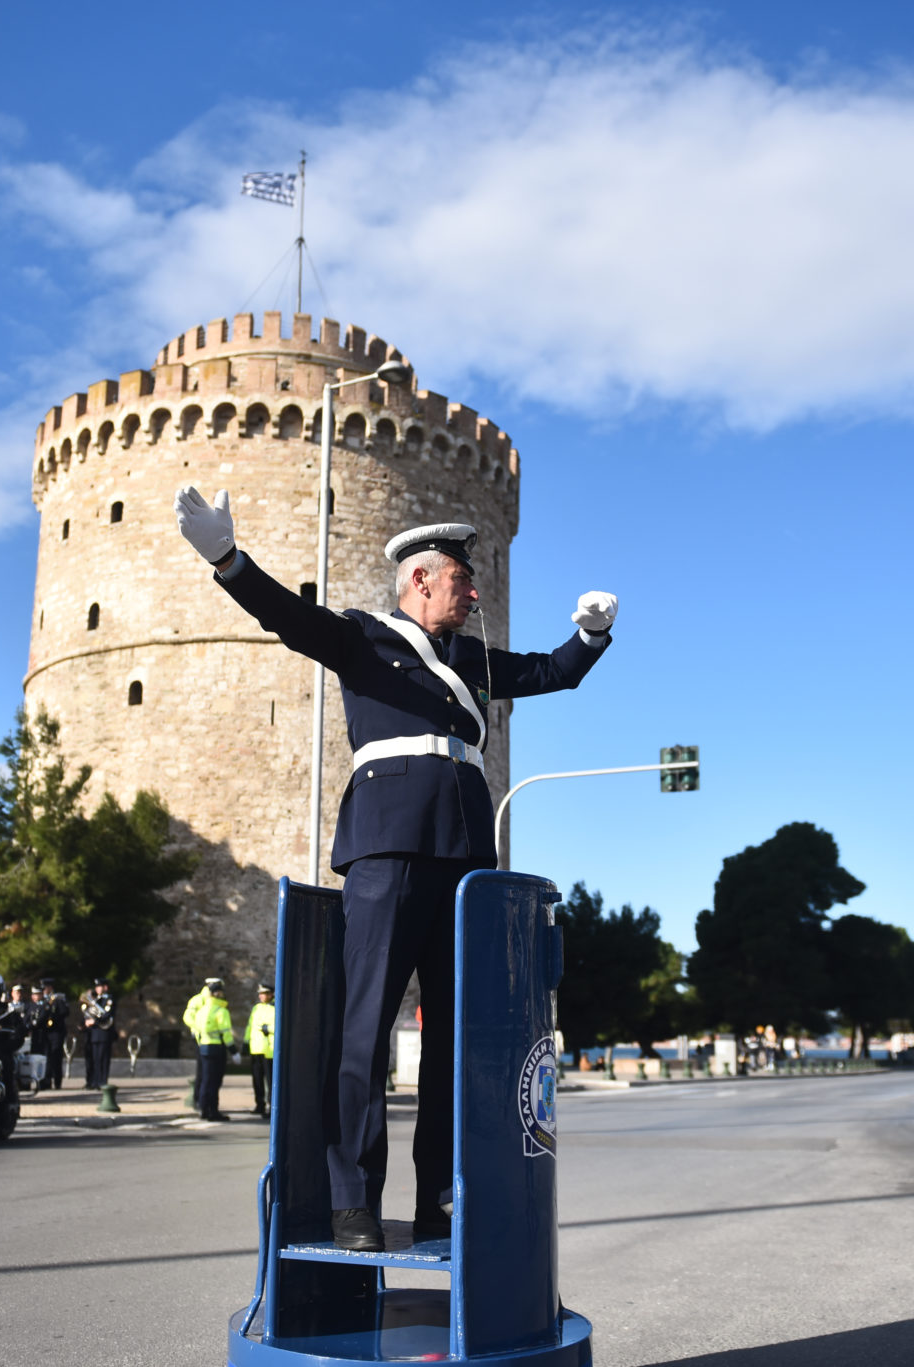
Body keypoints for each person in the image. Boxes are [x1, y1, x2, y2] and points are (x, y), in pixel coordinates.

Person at [175, 489, 616, 1250]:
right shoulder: (362, 637)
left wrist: (591, 635)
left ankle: (440, 1200)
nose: (475, 593)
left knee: (453, 1036)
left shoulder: (473, 659)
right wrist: (228, 560)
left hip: (467, 855)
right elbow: (288, 616)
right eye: (462, 580)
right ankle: (353, 1200)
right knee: (365, 1030)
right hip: (386, 846)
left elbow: (553, 672)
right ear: (421, 580)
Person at [183, 977, 236, 1121]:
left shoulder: (204, 1005)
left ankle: (204, 1107)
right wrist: (234, 1051)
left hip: (204, 1043)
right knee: (210, 1079)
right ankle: (209, 1108)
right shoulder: (210, 1005)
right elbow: (189, 1017)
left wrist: (200, 1031)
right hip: (214, 1045)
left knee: (205, 1077)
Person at [246, 983, 277, 1120]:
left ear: (271, 994)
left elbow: (280, 1026)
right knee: (257, 1080)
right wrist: (246, 1042)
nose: (261, 996)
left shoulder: (276, 1007)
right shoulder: (256, 1008)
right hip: (256, 1048)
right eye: (260, 993)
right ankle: (259, 1104)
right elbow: (250, 1026)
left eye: (263, 993)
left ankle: (272, 1106)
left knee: (270, 1082)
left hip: (269, 1050)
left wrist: (269, 1029)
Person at [81, 980, 117, 1090]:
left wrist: (94, 1021)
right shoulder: (96, 999)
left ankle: (102, 1081)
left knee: (103, 1058)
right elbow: (89, 1012)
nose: (97, 988)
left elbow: (107, 1015)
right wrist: (86, 1021)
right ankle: (95, 1081)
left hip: (104, 1032)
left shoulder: (109, 999)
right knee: (95, 1058)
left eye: (100, 986)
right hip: (94, 1033)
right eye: (96, 986)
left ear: (105, 987)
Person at [37, 980, 70, 1090]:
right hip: (45, 1032)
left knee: (56, 1057)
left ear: (50, 987)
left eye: (45, 988)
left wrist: (54, 1008)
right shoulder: (42, 1000)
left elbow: (65, 1012)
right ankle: (45, 1081)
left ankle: (57, 1081)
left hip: (56, 1032)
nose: (44, 991)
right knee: (46, 1057)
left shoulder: (58, 999)